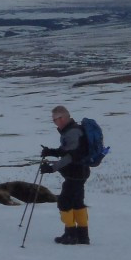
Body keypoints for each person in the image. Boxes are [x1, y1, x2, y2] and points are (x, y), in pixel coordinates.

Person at [39, 105, 90, 245]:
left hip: (75, 173)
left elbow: (70, 156)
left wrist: (52, 168)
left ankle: (71, 235)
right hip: (81, 172)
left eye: (55, 119)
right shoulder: (74, 130)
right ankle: (83, 235)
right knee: (77, 202)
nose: (55, 122)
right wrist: (51, 152)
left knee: (64, 202)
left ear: (62, 118)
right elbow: (67, 151)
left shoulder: (72, 132)